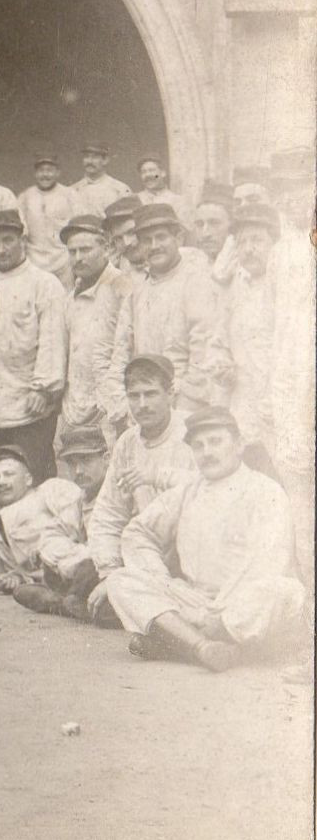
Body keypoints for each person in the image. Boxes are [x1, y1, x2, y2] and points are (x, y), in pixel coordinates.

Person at [97, 407, 306, 672]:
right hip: (194, 601)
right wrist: (161, 577)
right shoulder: (188, 490)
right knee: (121, 580)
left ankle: (179, 642)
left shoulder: (265, 491)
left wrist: (216, 613)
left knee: (284, 592)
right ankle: (203, 647)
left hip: (241, 602)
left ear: (239, 445)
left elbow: (268, 561)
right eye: (199, 446)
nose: (207, 452)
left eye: (216, 442)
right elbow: (138, 532)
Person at [0, 208, 68, 480]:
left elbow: (52, 340)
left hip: (28, 411)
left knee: (31, 483)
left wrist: (42, 389)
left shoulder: (44, 284)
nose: (2, 249)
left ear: (22, 240)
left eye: (8, 240)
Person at [109, 203, 230, 419]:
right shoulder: (137, 293)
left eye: (161, 237)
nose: (154, 245)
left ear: (178, 238)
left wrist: (179, 408)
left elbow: (203, 355)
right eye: (147, 240)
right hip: (146, 408)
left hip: (186, 406)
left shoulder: (197, 283)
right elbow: (121, 352)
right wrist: (124, 403)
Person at [83, 355, 197, 579]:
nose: (142, 405)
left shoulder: (193, 431)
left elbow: (211, 490)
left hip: (191, 548)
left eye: (151, 394)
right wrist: (109, 571)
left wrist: (156, 476)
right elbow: (109, 510)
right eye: (134, 396)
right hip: (146, 549)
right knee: (87, 573)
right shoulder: (127, 442)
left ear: (170, 394)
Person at [0, 445, 91, 599]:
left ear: (28, 479)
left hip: (79, 555)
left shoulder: (50, 489)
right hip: (47, 573)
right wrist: (18, 576)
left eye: (8, 474)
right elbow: (17, 563)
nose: (2, 482)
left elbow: (82, 519)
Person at [58, 213, 132, 450]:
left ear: (106, 248)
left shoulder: (121, 286)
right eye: (72, 252)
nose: (78, 258)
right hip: (76, 408)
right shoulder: (70, 297)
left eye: (85, 250)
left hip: (110, 409)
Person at [220, 203, 281, 454]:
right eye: (242, 242)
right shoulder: (235, 287)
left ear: (274, 243)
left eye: (256, 240)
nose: (248, 249)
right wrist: (221, 364)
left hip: (281, 401)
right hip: (243, 402)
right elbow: (220, 339)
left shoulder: (288, 285)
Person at [16, 154, 76, 289]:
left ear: (58, 172)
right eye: (41, 170)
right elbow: (21, 230)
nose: (45, 175)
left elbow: (77, 226)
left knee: (64, 300)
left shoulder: (70, 194)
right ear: (35, 173)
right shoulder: (25, 197)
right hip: (34, 259)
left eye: (49, 170)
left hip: (63, 260)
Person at [69, 141, 131, 219]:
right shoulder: (72, 191)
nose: (89, 161)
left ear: (105, 160)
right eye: (86, 157)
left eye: (95, 157)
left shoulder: (120, 189)